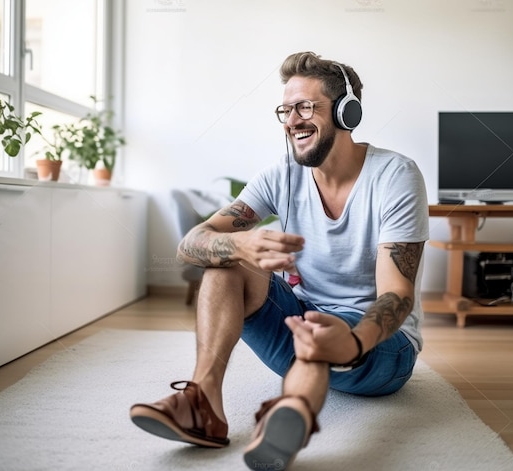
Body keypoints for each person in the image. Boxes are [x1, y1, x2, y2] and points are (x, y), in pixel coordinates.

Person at [130, 51, 429, 470]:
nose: (292, 120)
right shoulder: (281, 175)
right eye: (285, 110)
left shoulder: (395, 175)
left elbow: (397, 296)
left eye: (306, 106)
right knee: (224, 260)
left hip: (379, 346)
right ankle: (202, 405)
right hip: (301, 320)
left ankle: (291, 414)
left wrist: (352, 339)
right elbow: (192, 243)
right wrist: (239, 245)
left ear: (348, 111)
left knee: (319, 338)